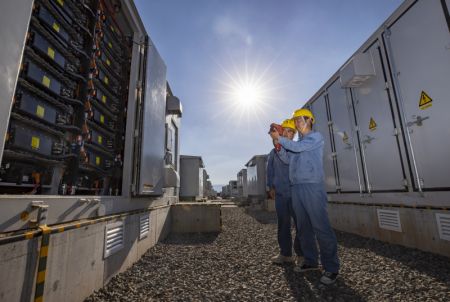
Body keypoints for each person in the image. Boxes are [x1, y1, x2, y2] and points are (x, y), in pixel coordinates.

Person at [269, 108, 340, 285]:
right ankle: (310, 261)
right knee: (304, 228)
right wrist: (278, 145)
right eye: (296, 120)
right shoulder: (298, 143)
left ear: (309, 120)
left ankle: (331, 268)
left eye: (300, 119)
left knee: (321, 227)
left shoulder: (315, 138)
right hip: (296, 188)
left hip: (312, 187)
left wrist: (280, 138)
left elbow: (298, 147)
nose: (297, 123)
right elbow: (287, 158)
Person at [267, 119, 303, 264]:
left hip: (295, 193)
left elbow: (289, 162)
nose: (288, 134)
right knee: (283, 224)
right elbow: (270, 170)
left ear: (294, 135)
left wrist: (278, 144)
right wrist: (271, 187)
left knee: (300, 224)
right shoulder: (273, 152)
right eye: (286, 131)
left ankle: (302, 255)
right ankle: (286, 254)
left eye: (291, 132)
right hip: (281, 194)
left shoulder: (296, 148)